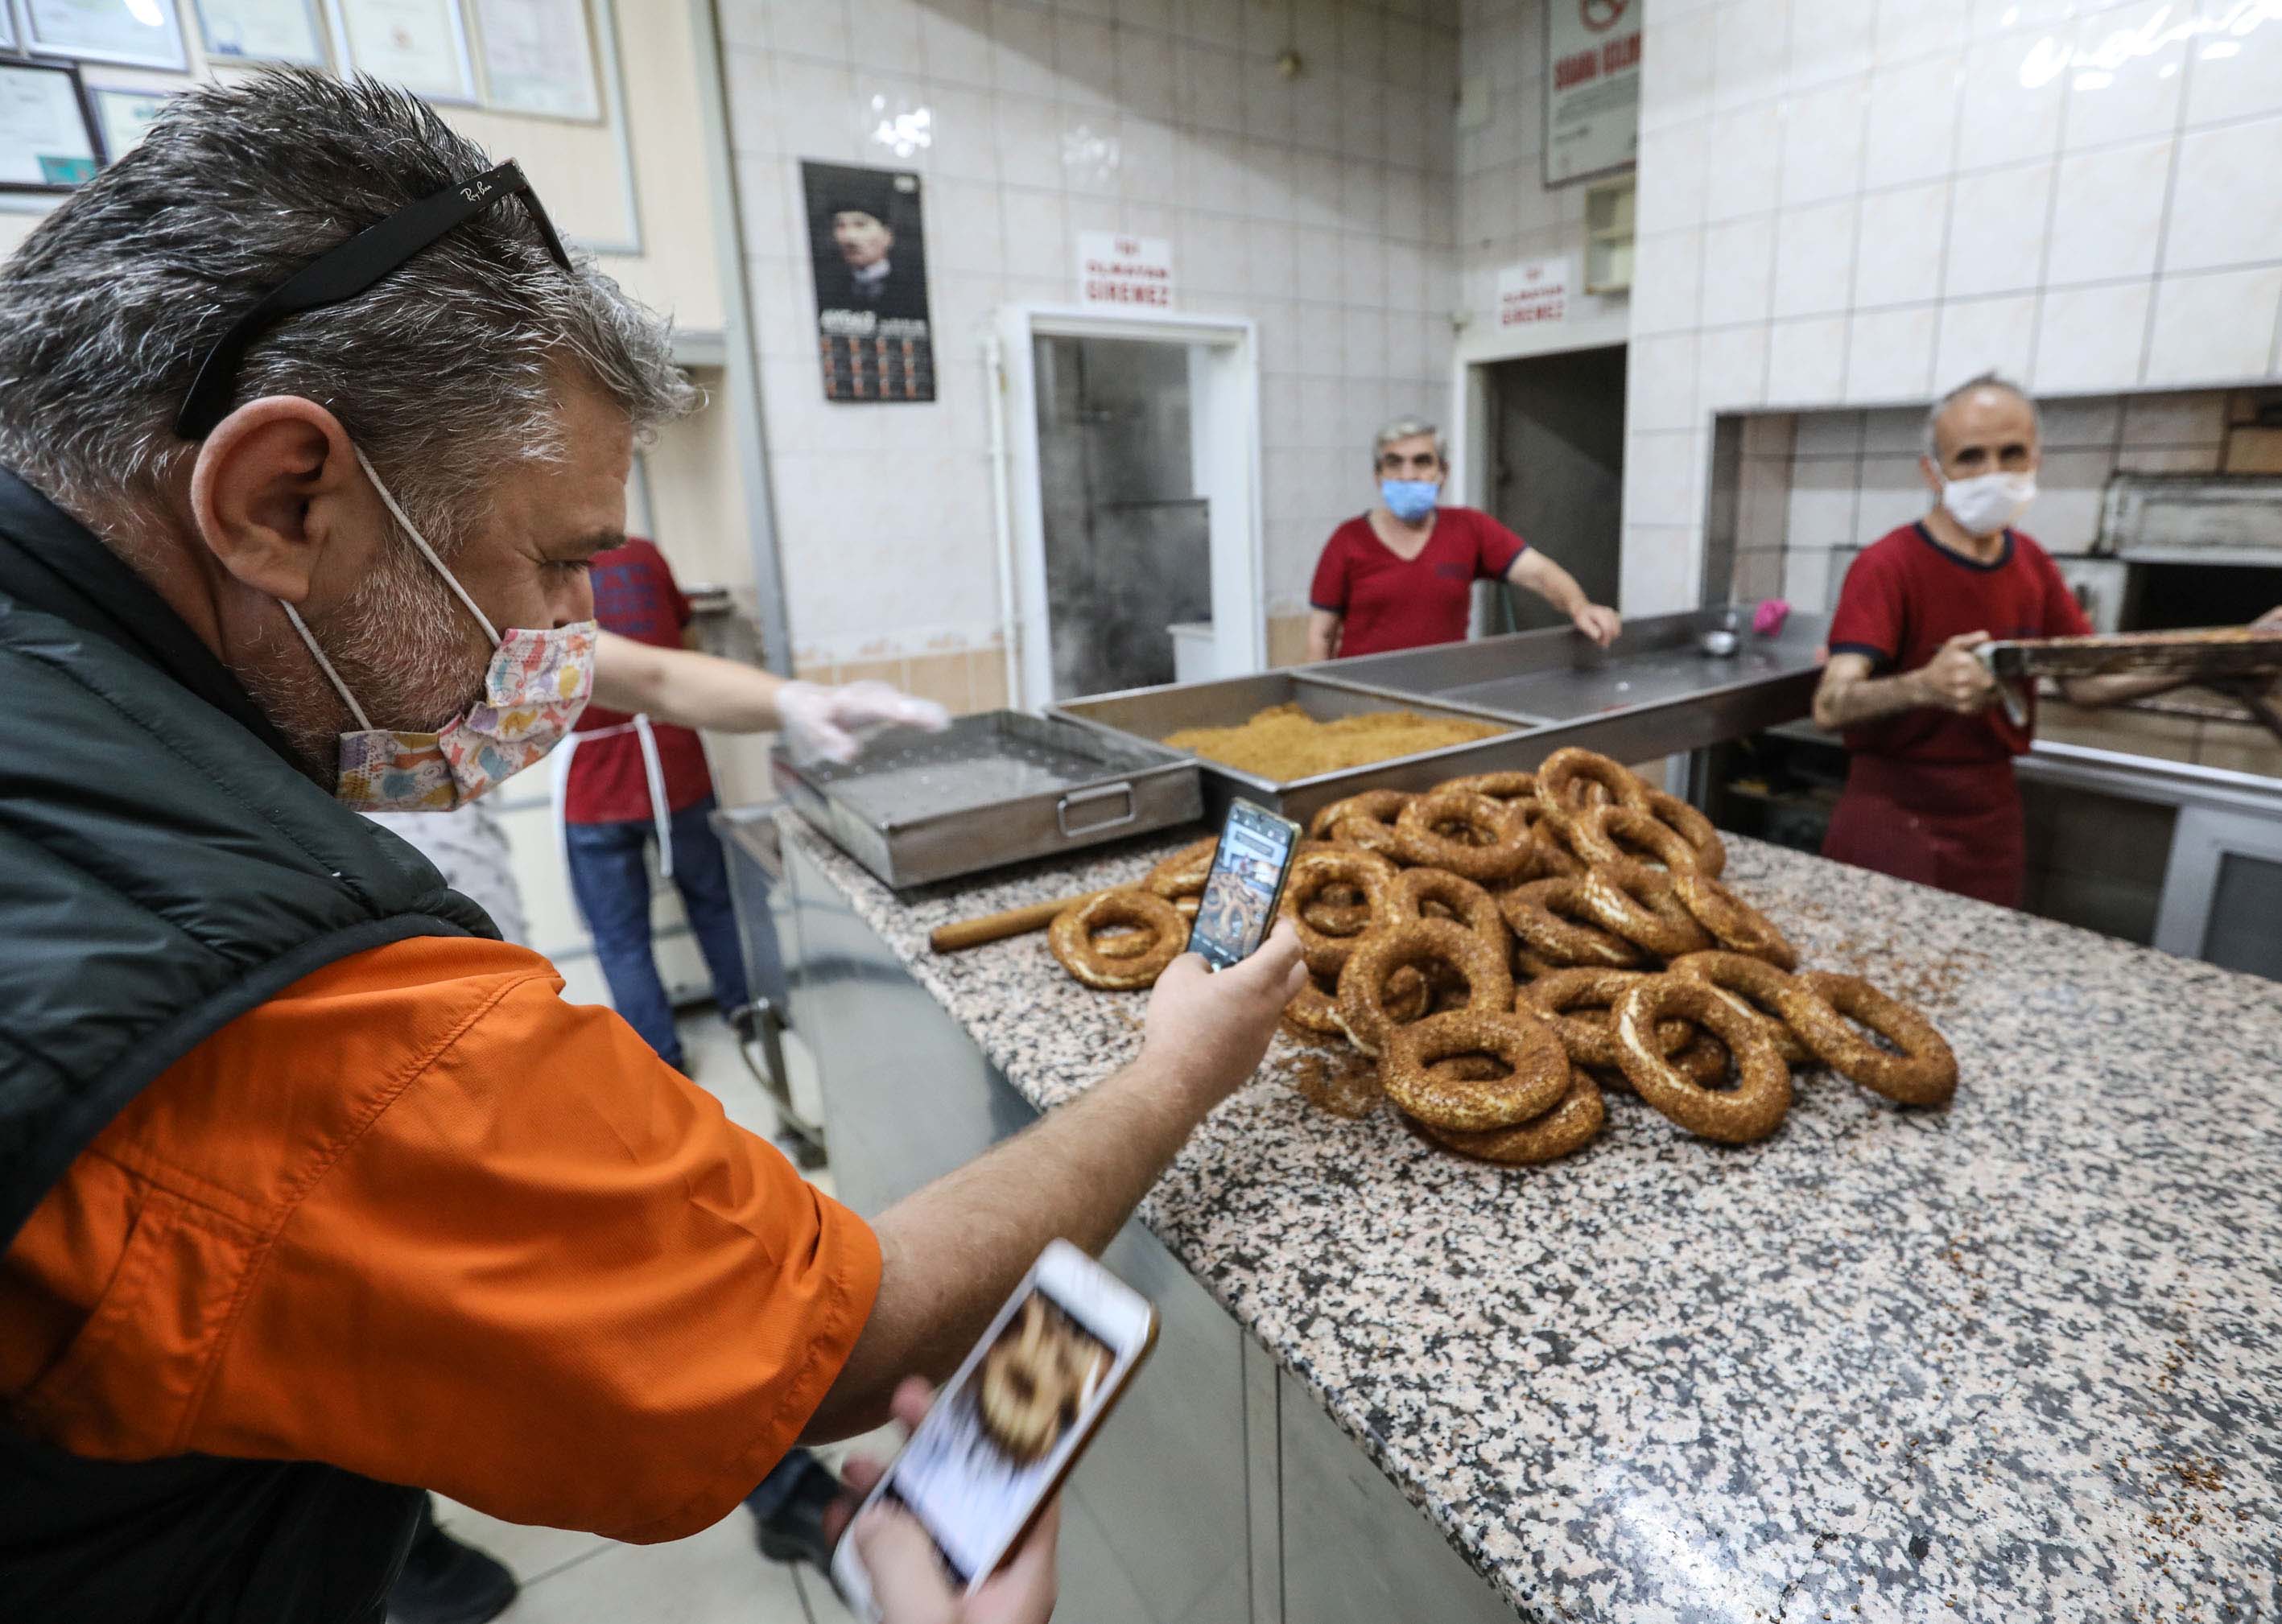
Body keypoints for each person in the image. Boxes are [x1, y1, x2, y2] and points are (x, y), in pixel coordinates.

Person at [0, 70, 1305, 1623]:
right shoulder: (279, 1020)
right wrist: (1176, 1068)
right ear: (283, 496)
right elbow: (840, 1335)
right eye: (558, 563)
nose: (573, 638)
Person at [365, 635, 939, 1622]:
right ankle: (394, 1542)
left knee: (646, 1268)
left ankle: (778, 1483)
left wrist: (796, 700)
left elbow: (650, 675)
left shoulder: (446, 631)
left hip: (485, 1007)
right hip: (375, 1057)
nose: (571, 601)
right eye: (560, 556)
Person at [1813, 373, 2282, 907]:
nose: (1993, 473)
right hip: (1890, 814)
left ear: (2035, 460)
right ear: (1933, 471)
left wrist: (2227, 651)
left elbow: (2086, 686)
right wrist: (1923, 686)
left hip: (1990, 818)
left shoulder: (2032, 564)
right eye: (1969, 457)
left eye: (2010, 453)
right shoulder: (1886, 565)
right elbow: (1830, 705)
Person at [555, 538, 943, 1075]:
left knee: (621, 938)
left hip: (594, 784)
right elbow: (677, 657)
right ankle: (748, 1013)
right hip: (674, 765)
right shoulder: (644, 556)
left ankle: (660, 1063)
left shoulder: (547, 578)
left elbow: (659, 678)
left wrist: (795, 701)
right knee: (714, 901)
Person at [1306, 416, 1622, 662]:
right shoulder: (1348, 540)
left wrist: (1579, 606)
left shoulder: (1470, 528)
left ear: (1442, 472)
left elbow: (1539, 574)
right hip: (1362, 703)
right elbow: (1321, 636)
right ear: (1378, 476)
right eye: (1394, 463)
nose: (1407, 475)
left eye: (1422, 462)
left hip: (1444, 694)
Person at [811, 175, 927, 322]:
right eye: (840, 226)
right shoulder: (825, 288)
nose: (849, 237)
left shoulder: (915, 290)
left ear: (887, 235)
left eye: (860, 225)